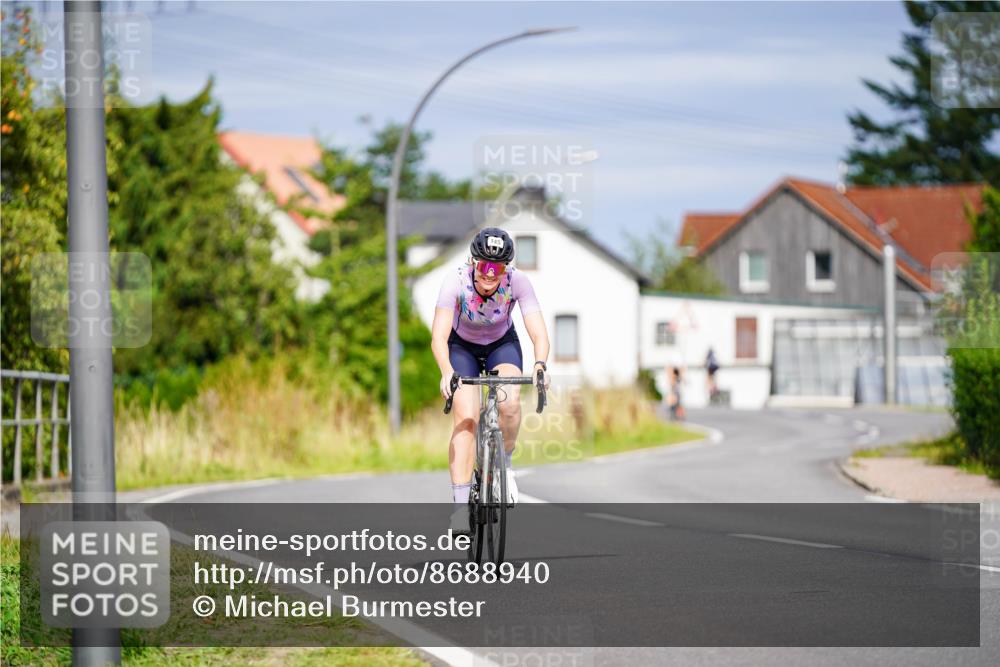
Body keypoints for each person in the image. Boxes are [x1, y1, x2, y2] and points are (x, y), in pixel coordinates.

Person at [431, 227, 551, 534]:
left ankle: (504, 466)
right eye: (484, 266)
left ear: (506, 269)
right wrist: (447, 371)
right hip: (462, 347)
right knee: (466, 418)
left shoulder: (518, 282)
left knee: (509, 403)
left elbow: (537, 330)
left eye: (497, 268)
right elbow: (439, 336)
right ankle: (459, 508)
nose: (489, 274)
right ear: (472, 262)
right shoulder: (454, 281)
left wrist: (540, 364)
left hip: (501, 344)